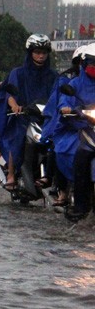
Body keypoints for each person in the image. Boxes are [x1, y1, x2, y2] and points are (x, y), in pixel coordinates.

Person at [0, 34, 58, 190]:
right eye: (37, 52)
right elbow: (10, 93)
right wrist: (14, 105)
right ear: (30, 53)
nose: (41, 55)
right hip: (23, 117)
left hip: (46, 118)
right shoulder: (18, 73)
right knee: (16, 136)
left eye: (44, 52)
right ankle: (11, 174)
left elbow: (58, 95)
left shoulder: (54, 75)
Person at [42, 46, 87, 206]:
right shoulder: (69, 82)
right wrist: (66, 109)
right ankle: (62, 191)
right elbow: (61, 102)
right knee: (61, 149)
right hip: (71, 126)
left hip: (91, 128)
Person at [58, 44, 95, 221]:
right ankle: (80, 206)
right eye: (92, 64)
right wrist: (66, 108)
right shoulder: (75, 83)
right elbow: (65, 100)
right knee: (82, 159)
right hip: (85, 129)